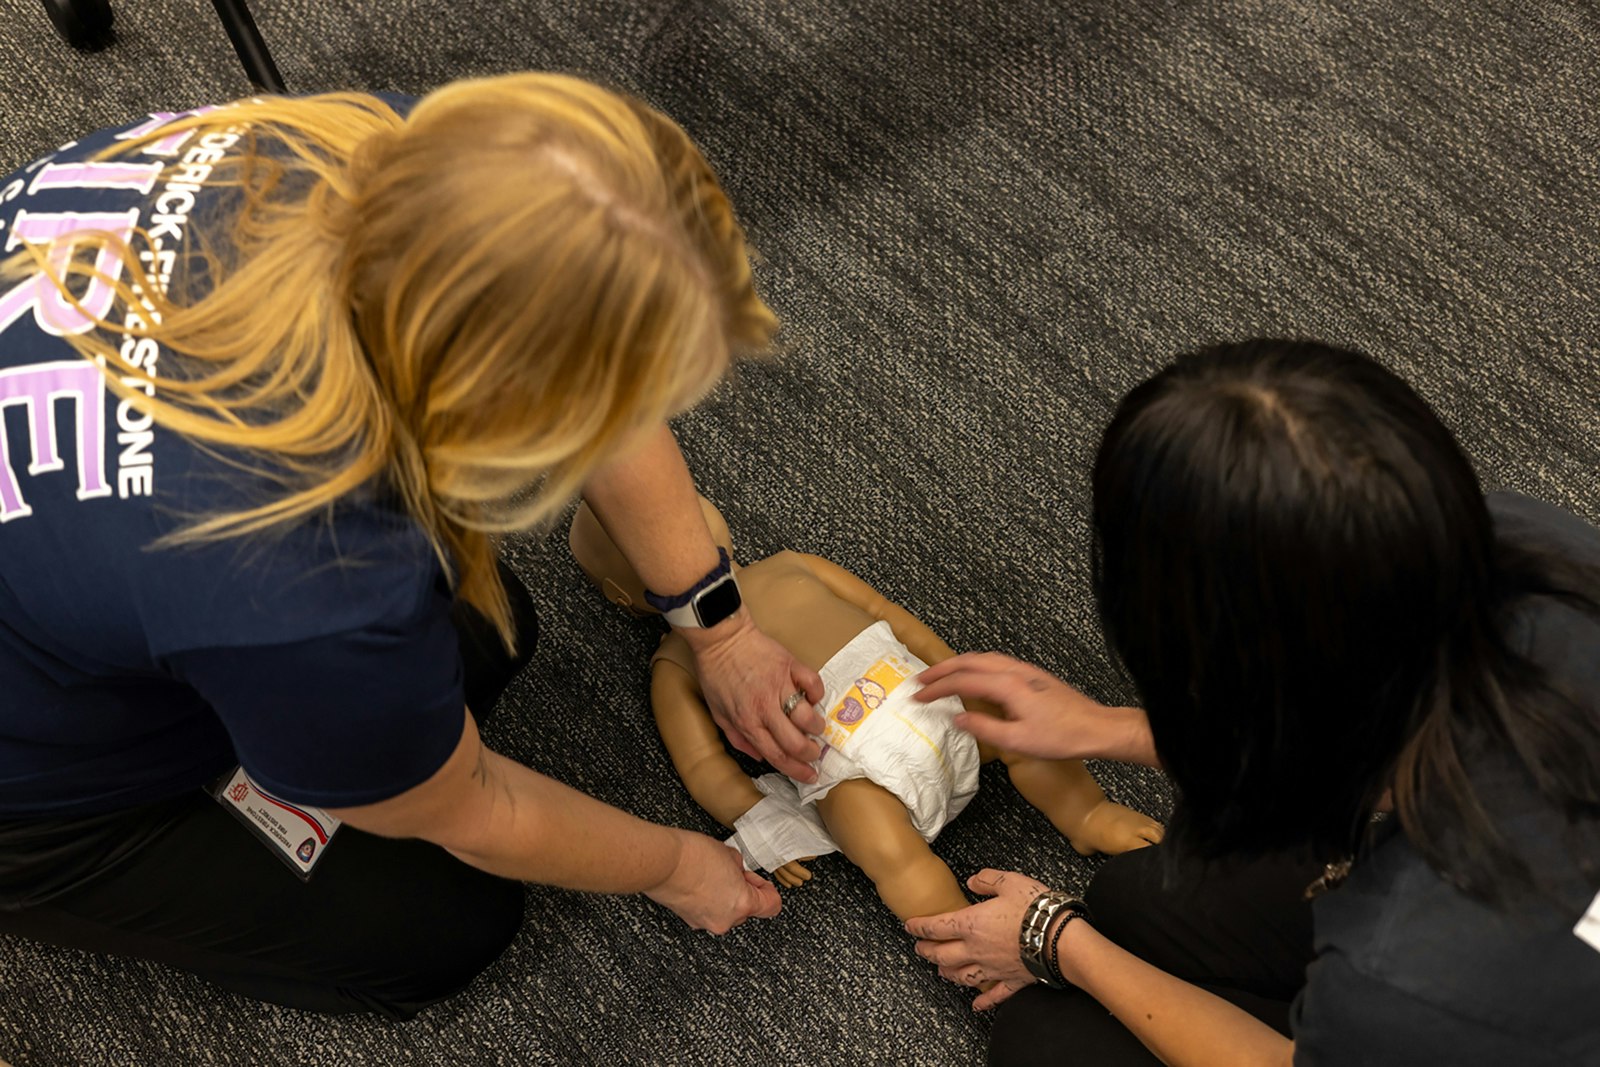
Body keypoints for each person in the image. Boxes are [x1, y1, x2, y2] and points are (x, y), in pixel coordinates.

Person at [0, 73, 836, 1018]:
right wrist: (681, 866)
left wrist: (717, 624)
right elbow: (479, 809)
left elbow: (592, 356)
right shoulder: (311, 578)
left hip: (98, 571)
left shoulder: (398, 155)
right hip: (39, 794)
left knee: (493, 632)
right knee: (443, 927)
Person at [904, 340, 1600, 1065]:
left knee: (1045, 1036)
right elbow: (1345, 720)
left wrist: (1058, 940)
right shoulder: (1533, 549)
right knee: (1138, 900)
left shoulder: (1401, 974)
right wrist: (1108, 728)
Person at [567, 497, 1161, 921]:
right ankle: (954, 922)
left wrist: (949, 665)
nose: (680, 525)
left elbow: (885, 611)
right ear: (625, 597)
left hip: (927, 695)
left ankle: (1086, 814)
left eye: (682, 501)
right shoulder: (675, 664)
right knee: (885, 849)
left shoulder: (790, 562)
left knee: (1014, 724)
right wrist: (757, 817)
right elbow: (700, 763)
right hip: (851, 769)